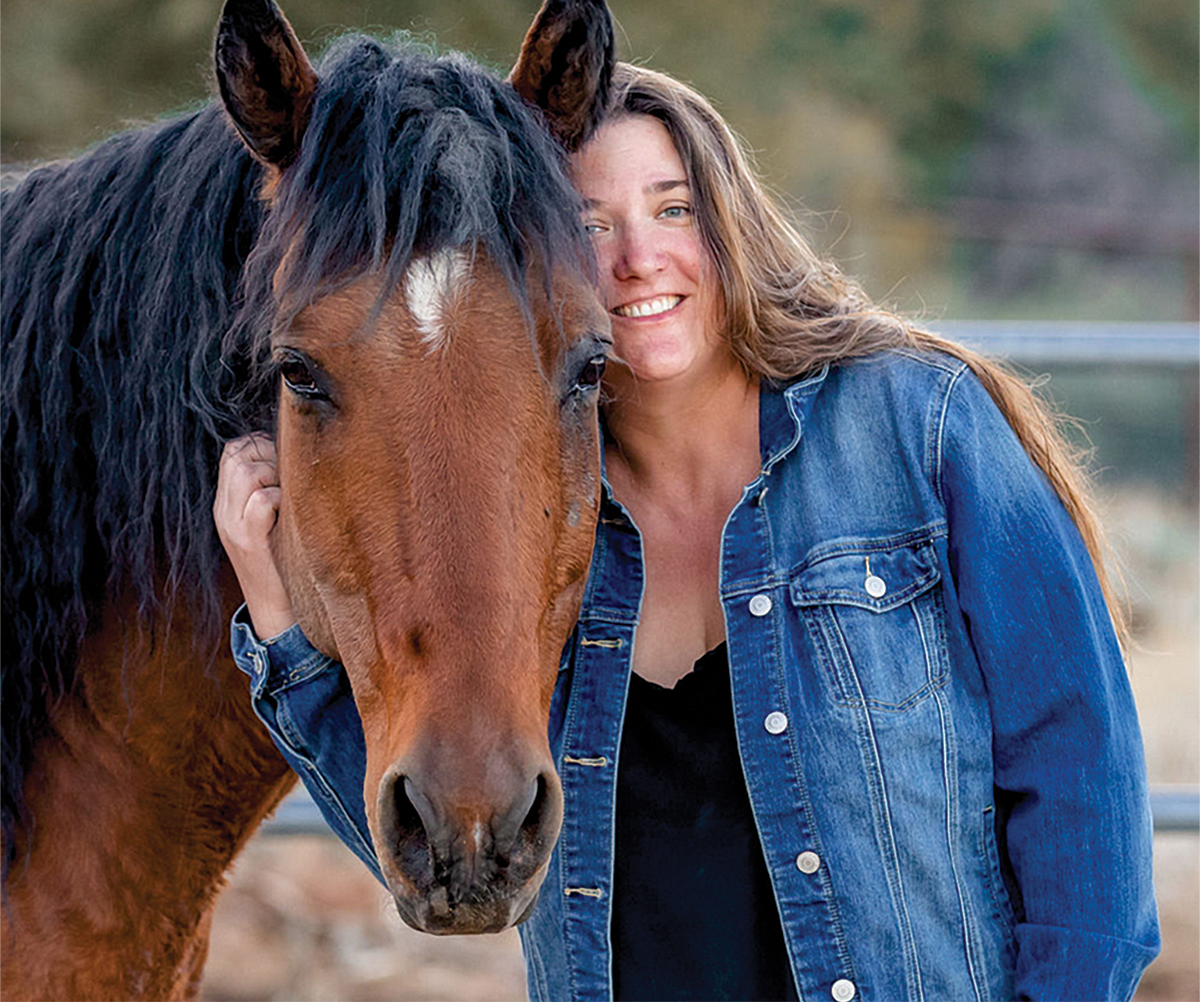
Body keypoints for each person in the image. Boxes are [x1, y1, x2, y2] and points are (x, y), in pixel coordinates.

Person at [216, 62, 1159, 1002]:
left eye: (673, 210)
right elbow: (450, 832)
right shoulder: (544, 529)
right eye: (589, 223)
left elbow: (1080, 771)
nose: (635, 257)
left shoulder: (919, 427)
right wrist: (274, 615)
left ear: (729, 223)